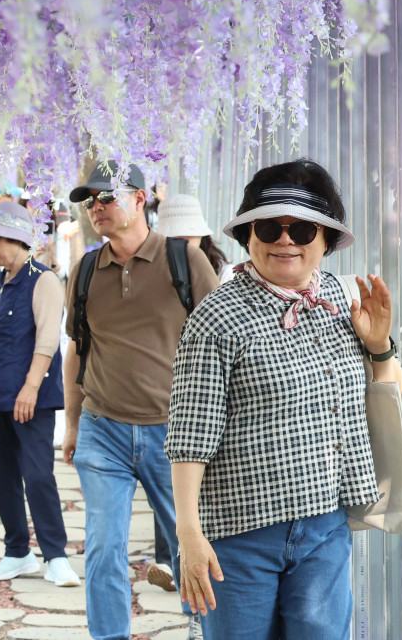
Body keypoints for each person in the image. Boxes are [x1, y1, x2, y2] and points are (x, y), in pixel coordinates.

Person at [166, 159, 402, 640]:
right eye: (270, 227)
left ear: (325, 239)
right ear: (249, 235)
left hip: (325, 526)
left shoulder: (341, 300)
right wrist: (189, 533)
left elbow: (387, 396)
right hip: (240, 533)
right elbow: (191, 436)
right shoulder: (217, 317)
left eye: (303, 229)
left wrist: (379, 345)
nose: (285, 240)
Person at [61, 161, 219, 640]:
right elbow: (78, 350)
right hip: (103, 429)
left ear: (139, 198)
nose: (96, 208)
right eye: (90, 201)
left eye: (107, 197)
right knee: (103, 547)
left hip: (175, 434)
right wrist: (72, 424)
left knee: (190, 543)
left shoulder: (185, 260)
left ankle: (204, 627)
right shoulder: (85, 271)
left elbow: (223, 344)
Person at [0, 202, 80, 587]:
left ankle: (56, 556)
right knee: (2, 477)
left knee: (37, 474)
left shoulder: (43, 280)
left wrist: (31, 387)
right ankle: (17, 552)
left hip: (32, 398)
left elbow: (47, 339)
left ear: (17, 239)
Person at [147, 192, 233, 590]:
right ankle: (169, 558)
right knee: (173, 474)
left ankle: (195, 557)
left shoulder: (226, 275)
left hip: (213, 393)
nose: (183, 245)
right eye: (175, 239)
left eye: (189, 238)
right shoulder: (154, 269)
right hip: (169, 388)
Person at [157, 194, 231, 281]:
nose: (181, 242)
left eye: (188, 235)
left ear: (201, 235)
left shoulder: (225, 274)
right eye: (173, 238)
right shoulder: (156, 271)